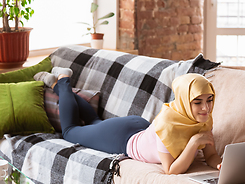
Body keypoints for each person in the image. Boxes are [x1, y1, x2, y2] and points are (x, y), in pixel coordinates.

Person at [34, 69, 222, 175]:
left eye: (209, 100)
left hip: (138, 127)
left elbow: (211, 155)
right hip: (123, 139)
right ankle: (63, 80)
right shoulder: (168, 124)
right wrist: (194, 143)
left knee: (94, 120)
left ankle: (55, 86)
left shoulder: (202, 118)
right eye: (197, 102)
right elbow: (171, 170)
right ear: (183, 100)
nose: (206, 108)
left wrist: (221, 164)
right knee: (70, 130)